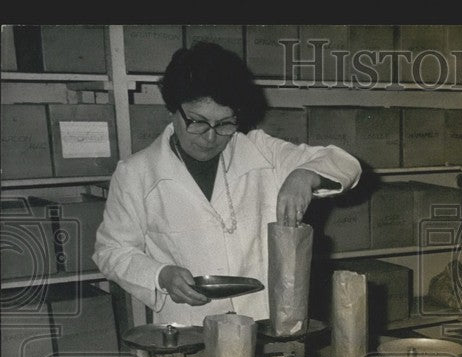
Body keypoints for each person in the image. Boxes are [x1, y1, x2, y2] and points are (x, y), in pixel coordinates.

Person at [94, 41, 362, 326]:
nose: (210, 137)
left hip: (265, 325)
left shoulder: (259, 150)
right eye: (197, 122)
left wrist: (304, 175)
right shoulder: (136, 173)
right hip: (191, 331)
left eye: (224, 124)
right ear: (173, 109)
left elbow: (346, 164)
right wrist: (160, 275)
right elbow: (111, 251)